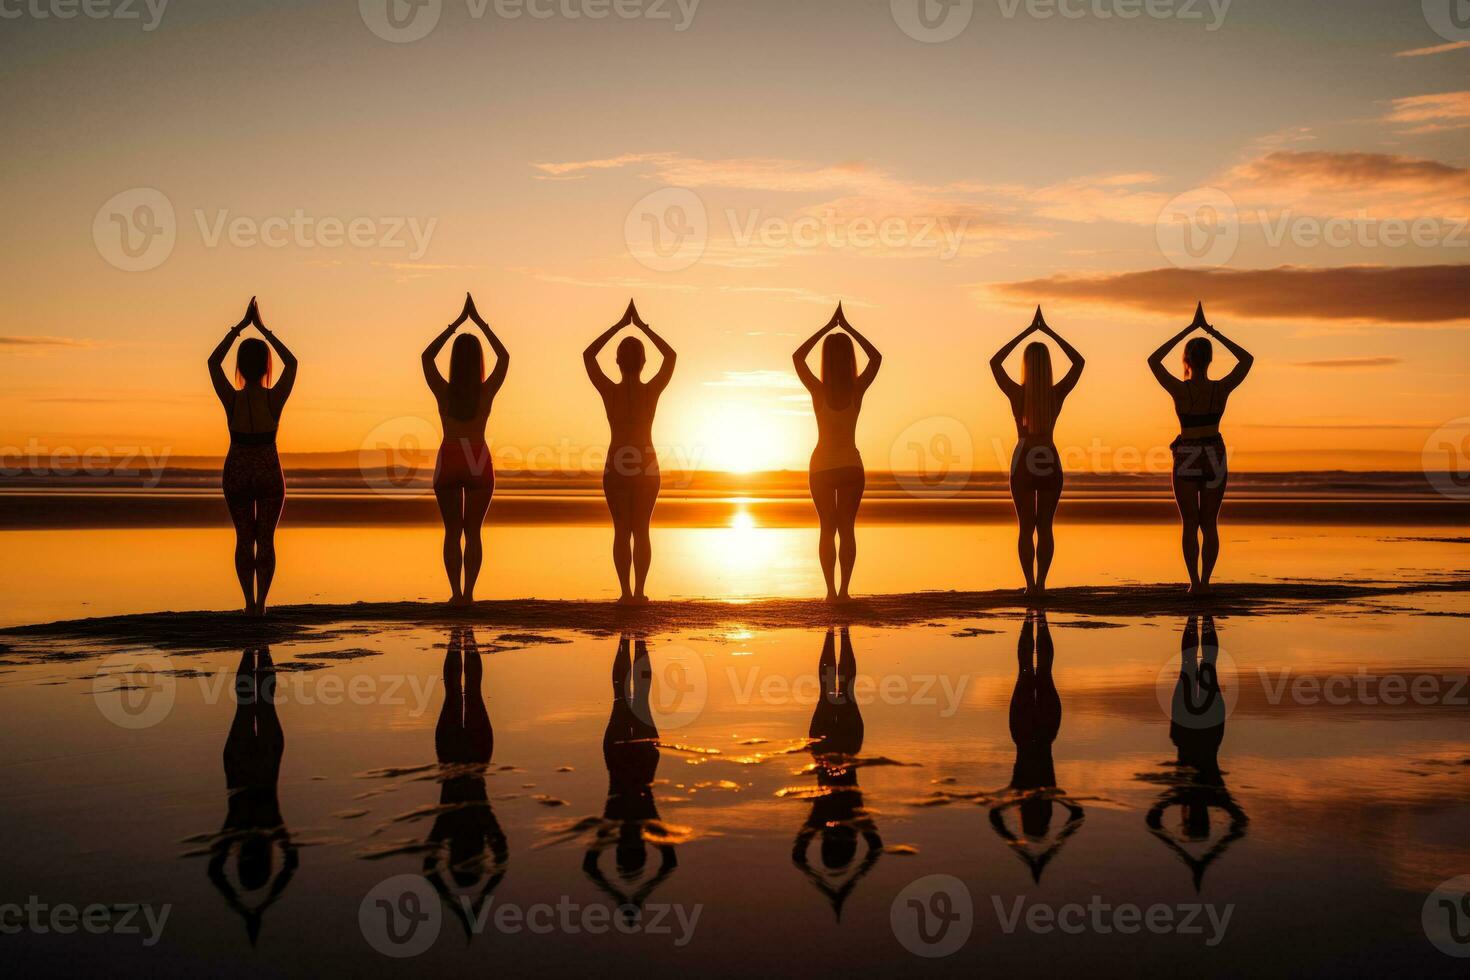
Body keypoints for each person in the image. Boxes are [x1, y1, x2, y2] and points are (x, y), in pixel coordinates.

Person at [1148, 303, 1254, 594]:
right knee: (1209, 523)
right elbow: (1246, 359)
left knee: (1190, 524)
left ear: (1187, 360)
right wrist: (1210, 332)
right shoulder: (1220, 389)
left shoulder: (1180, 390)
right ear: (1208, 360)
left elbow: (1153, 360)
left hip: (1188, 453)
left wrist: (1186, 330)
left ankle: (1194, 583)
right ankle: (1205, 582)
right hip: (1214, 453)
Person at [208, 298, 298, 617]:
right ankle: (261, 605)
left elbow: (212, 363)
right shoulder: (274, 400)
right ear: (265, 367)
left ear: (241, 367)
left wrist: (238, 330)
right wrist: (263, 330)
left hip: (237, 472)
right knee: (266, 540)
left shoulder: (232, 399)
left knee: (244, 539)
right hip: (268, 472)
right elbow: (293, 363)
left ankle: (248, 602)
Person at [583, 301, 676, 604]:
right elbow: (671, 356)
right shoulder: (651, 390)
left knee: (622, 531)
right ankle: (638, 592)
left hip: (618, 463)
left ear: (618, 362)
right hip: (646, 463)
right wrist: (644, 328)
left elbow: (588, 355)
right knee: (642, 530)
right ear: (643, 362)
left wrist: (620, 326)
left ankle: (626, 593)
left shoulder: (611, 391)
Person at [989, 308, 1085, 598]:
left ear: (1026, 365)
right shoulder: (1056, 394)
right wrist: (1049, 332)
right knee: (1045, 526)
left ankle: (1030, 586)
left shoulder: (1018, 394)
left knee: (1025, 527)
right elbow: (1079, 362)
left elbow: (995, 362)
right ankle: (1042, 585)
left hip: (1024, 457)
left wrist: (1028, 332)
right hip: (1048, 458)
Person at [422, 293, 510, 606]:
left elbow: (426, 358)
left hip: (450, 456)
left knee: (451, 532)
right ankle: (469, 595)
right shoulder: (485, 392)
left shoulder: (444, 391)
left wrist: (455, 325)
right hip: (477, 458)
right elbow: (504, 358)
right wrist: (481, 325)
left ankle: (456, 594)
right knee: (473, 532)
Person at [207, 646, 297, 946]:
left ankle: (255, 647)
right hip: (251, 761)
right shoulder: (254, 827)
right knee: (256, 704)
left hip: (248, 762)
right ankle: (256, 648)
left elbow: (292, 863)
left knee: (254, 705)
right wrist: (249, 908)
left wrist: (257, 907)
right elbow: (215, 872)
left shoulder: (251, 827)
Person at [793, 304, 882, 602]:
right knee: (846, 529)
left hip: (821, 467)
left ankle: (830, 592)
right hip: (850, 466)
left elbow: (797, 357)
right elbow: (876, 358)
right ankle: (844, 591)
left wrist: (827, 328)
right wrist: (848, 329)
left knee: (827, 529)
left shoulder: (818, 391)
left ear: (826, 361)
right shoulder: (857, 389)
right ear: (849, 360)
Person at [792, 626, 882, 920]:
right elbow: (799, 858)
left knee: (832, 692)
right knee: (840, 692)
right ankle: (839, 634)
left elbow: (875, 851)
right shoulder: (847, 817)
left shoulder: (835, 818)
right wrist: (836, 886)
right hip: (841, 747)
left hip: (835, 749)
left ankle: (836, 633)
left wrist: (845, 885)